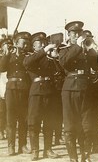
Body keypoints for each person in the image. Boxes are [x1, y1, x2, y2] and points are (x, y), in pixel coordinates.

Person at [59, 21, 98, 162]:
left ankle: (85, 156)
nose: (77, 35)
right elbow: (64, 62)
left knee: (87, 126)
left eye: (79, 33)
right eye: (73, 33)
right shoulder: (64, 48)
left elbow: (97, 66)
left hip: (85, 88)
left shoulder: (86, 49)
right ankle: (73, 159)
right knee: (70, 126)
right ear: (68, 35)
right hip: (70, 88)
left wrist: (93, 50)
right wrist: (77, 46)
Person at [23, 32, 59, 160]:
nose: (44, 45)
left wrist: (54, 57)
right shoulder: (30, 56)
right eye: (40, 43)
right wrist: (44, 51)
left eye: (45, 43)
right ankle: (35, 150)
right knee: (34, 122)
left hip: (49, 92)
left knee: (49, 121)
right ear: (34, 47)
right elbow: (27, 63)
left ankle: (48, 149)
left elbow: (59, 71)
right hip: (36, 92)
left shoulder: (48, 57)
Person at [0, 32, 32, 156]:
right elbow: (1, 68)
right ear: (16, 43)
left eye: (27, 44)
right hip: (11, 90)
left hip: (24, 90)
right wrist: (7, 54)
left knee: (23, 119)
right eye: (23, 43)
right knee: (11, 119)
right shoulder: (8, 56)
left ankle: (22, 145)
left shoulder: (27, 56)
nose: (25, 46)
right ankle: (11, 146)